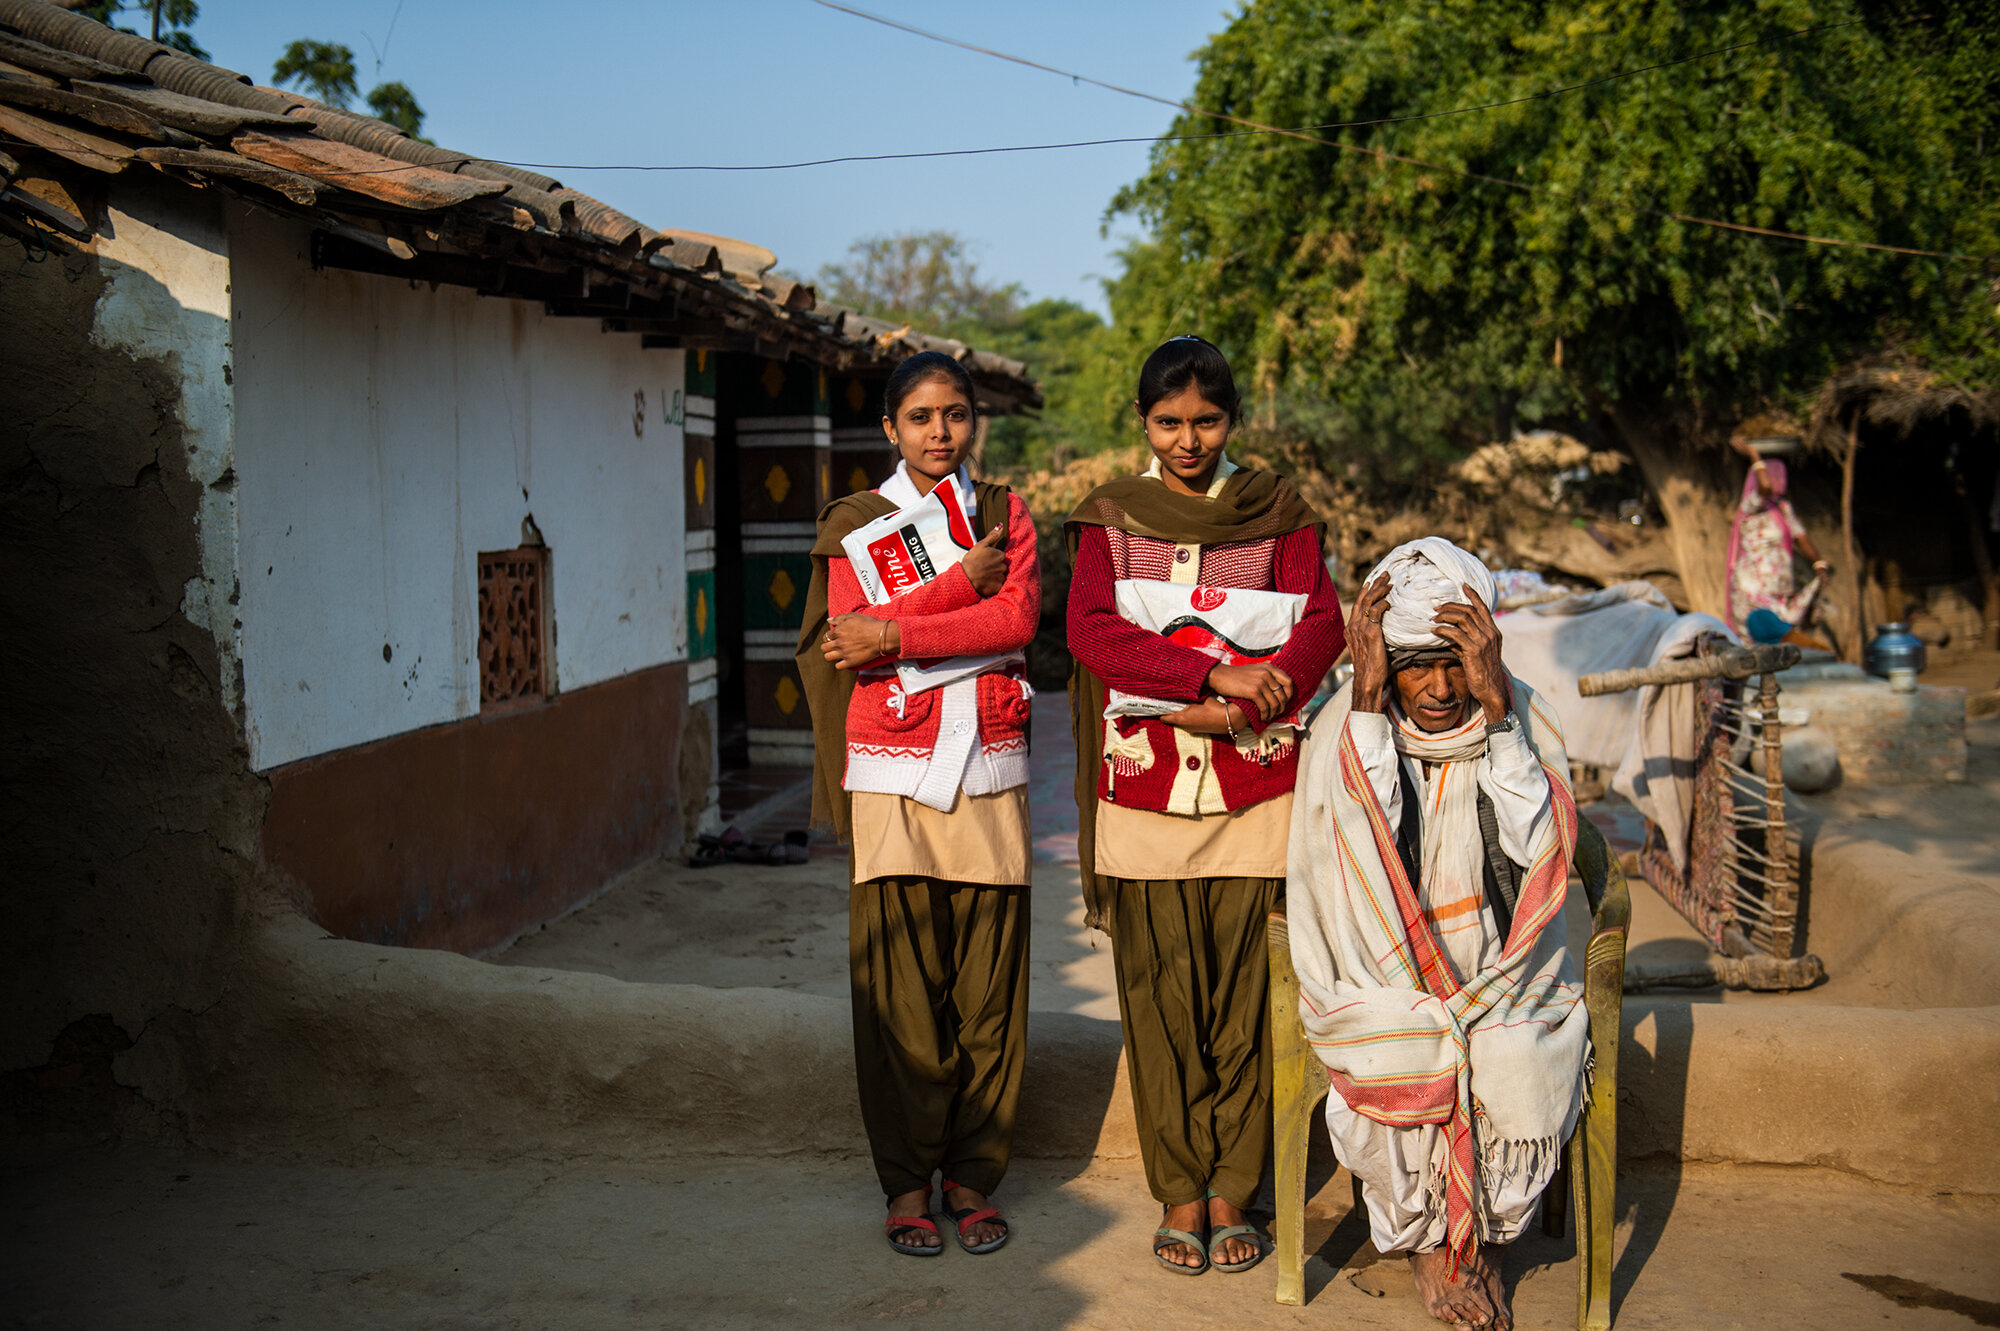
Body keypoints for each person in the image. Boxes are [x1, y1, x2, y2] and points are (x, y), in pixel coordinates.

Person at [1064, 336, 1344, 1276]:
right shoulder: (1109, 516)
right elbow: (1092, 629)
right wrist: (1213, 668)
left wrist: (1246, 702)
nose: (1189, 440)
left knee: (1246, 994)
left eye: (1207, 420)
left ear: (1235, 419)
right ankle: (1179, 1189)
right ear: (1142, 422)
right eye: (1170, 422)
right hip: (1143, 786)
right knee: (1157, 994)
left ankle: (1236, 1188)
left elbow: (1321, 623)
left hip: (1256, 786)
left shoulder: (1279, 511)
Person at [1287, 538, 1588, 1331]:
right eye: (1419, 665)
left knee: (1513, 1055)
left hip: (1503, 973)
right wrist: (1366, 704)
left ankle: (1479, 1240)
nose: (1440, 688)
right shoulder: (1341, 729)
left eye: (1459, 663)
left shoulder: (1517, 713)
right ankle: (1427, 1244)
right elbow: (1354, 854)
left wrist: (1498, 714)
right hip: (1379, 971)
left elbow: (1537, 850)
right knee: (1400, 1042)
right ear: (1383, 659)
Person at [795, 351, 1041, 1257]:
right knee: (900, 993)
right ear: (890, 429)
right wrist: (952, 591)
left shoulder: (1006, 512)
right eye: (922, 416)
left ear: (974, 423)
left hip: (988, 762)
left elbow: (1013, 623)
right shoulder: (857, 524)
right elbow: (846, 641)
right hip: (892, 769)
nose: (942, 431)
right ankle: (906, 1179)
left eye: (957, 414)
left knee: (987, 990)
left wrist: (900, 630)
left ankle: (974, 1175)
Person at [1725, 435, 1830, 646]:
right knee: (1764, 635)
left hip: (1779, 589)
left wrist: (1819, 565)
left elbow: (1802, 538)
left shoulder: (1782, 508)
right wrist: (1754, 455)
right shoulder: (1751, 505)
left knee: (1783, 637)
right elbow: (1764, 487)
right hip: (1753, 590)